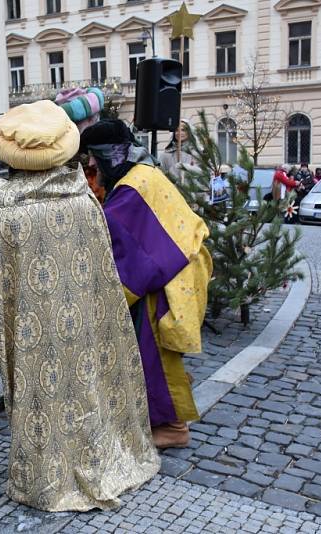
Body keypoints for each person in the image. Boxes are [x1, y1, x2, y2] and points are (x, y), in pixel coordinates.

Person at [0, 100, 159, 512]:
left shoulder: (2, 215)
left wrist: (1, 338)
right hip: (87, 325)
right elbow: (104, 277)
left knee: (41, 391)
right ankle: (102, 451)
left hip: (31, 335)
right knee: (89, 382)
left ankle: (46, 474)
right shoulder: (84, 202)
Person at [80, 119, 212, 449]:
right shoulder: (143, 174)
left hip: (165, 281)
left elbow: (126, 255)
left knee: (151, 356)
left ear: (111, 154)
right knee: (153, 356)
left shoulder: (129, 191)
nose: (91, 165)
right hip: (177, 270)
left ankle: (172, 427)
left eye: (94, 156)